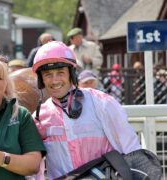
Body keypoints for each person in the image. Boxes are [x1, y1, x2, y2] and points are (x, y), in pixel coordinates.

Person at [31, 41, 141, 179]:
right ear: (41, 80)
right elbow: (36, 172)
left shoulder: (102, 103)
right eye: (48, 74)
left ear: (72, 74)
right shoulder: (38, 117)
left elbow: (131, 149)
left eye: (60, 72)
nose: (54, 80)